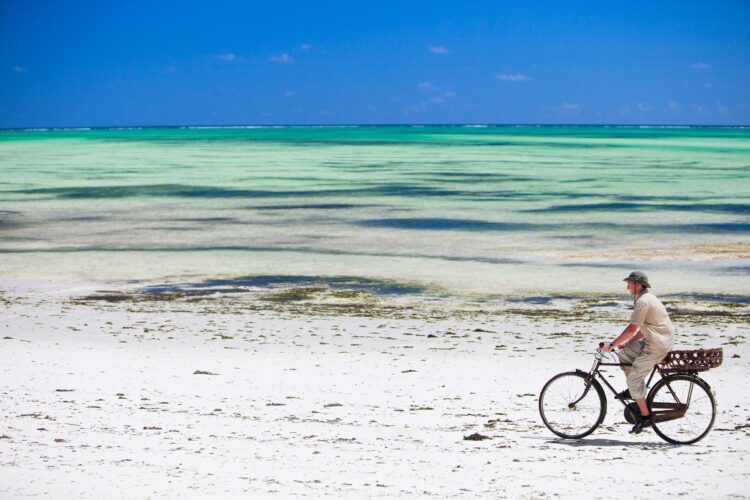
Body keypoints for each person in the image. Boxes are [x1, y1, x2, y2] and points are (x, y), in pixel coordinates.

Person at [601, 271, 675, 434]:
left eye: (629, 283)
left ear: (637, 285)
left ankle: (646, 417)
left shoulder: (642, 301)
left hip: (657, 344)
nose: (627, 286)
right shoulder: (645, 298)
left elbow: (632, 328)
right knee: (625, 354)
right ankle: (635, 392)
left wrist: (612, 345)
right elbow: (645, 328)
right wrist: (628, 342)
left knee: (634, 379)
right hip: (656, 339)